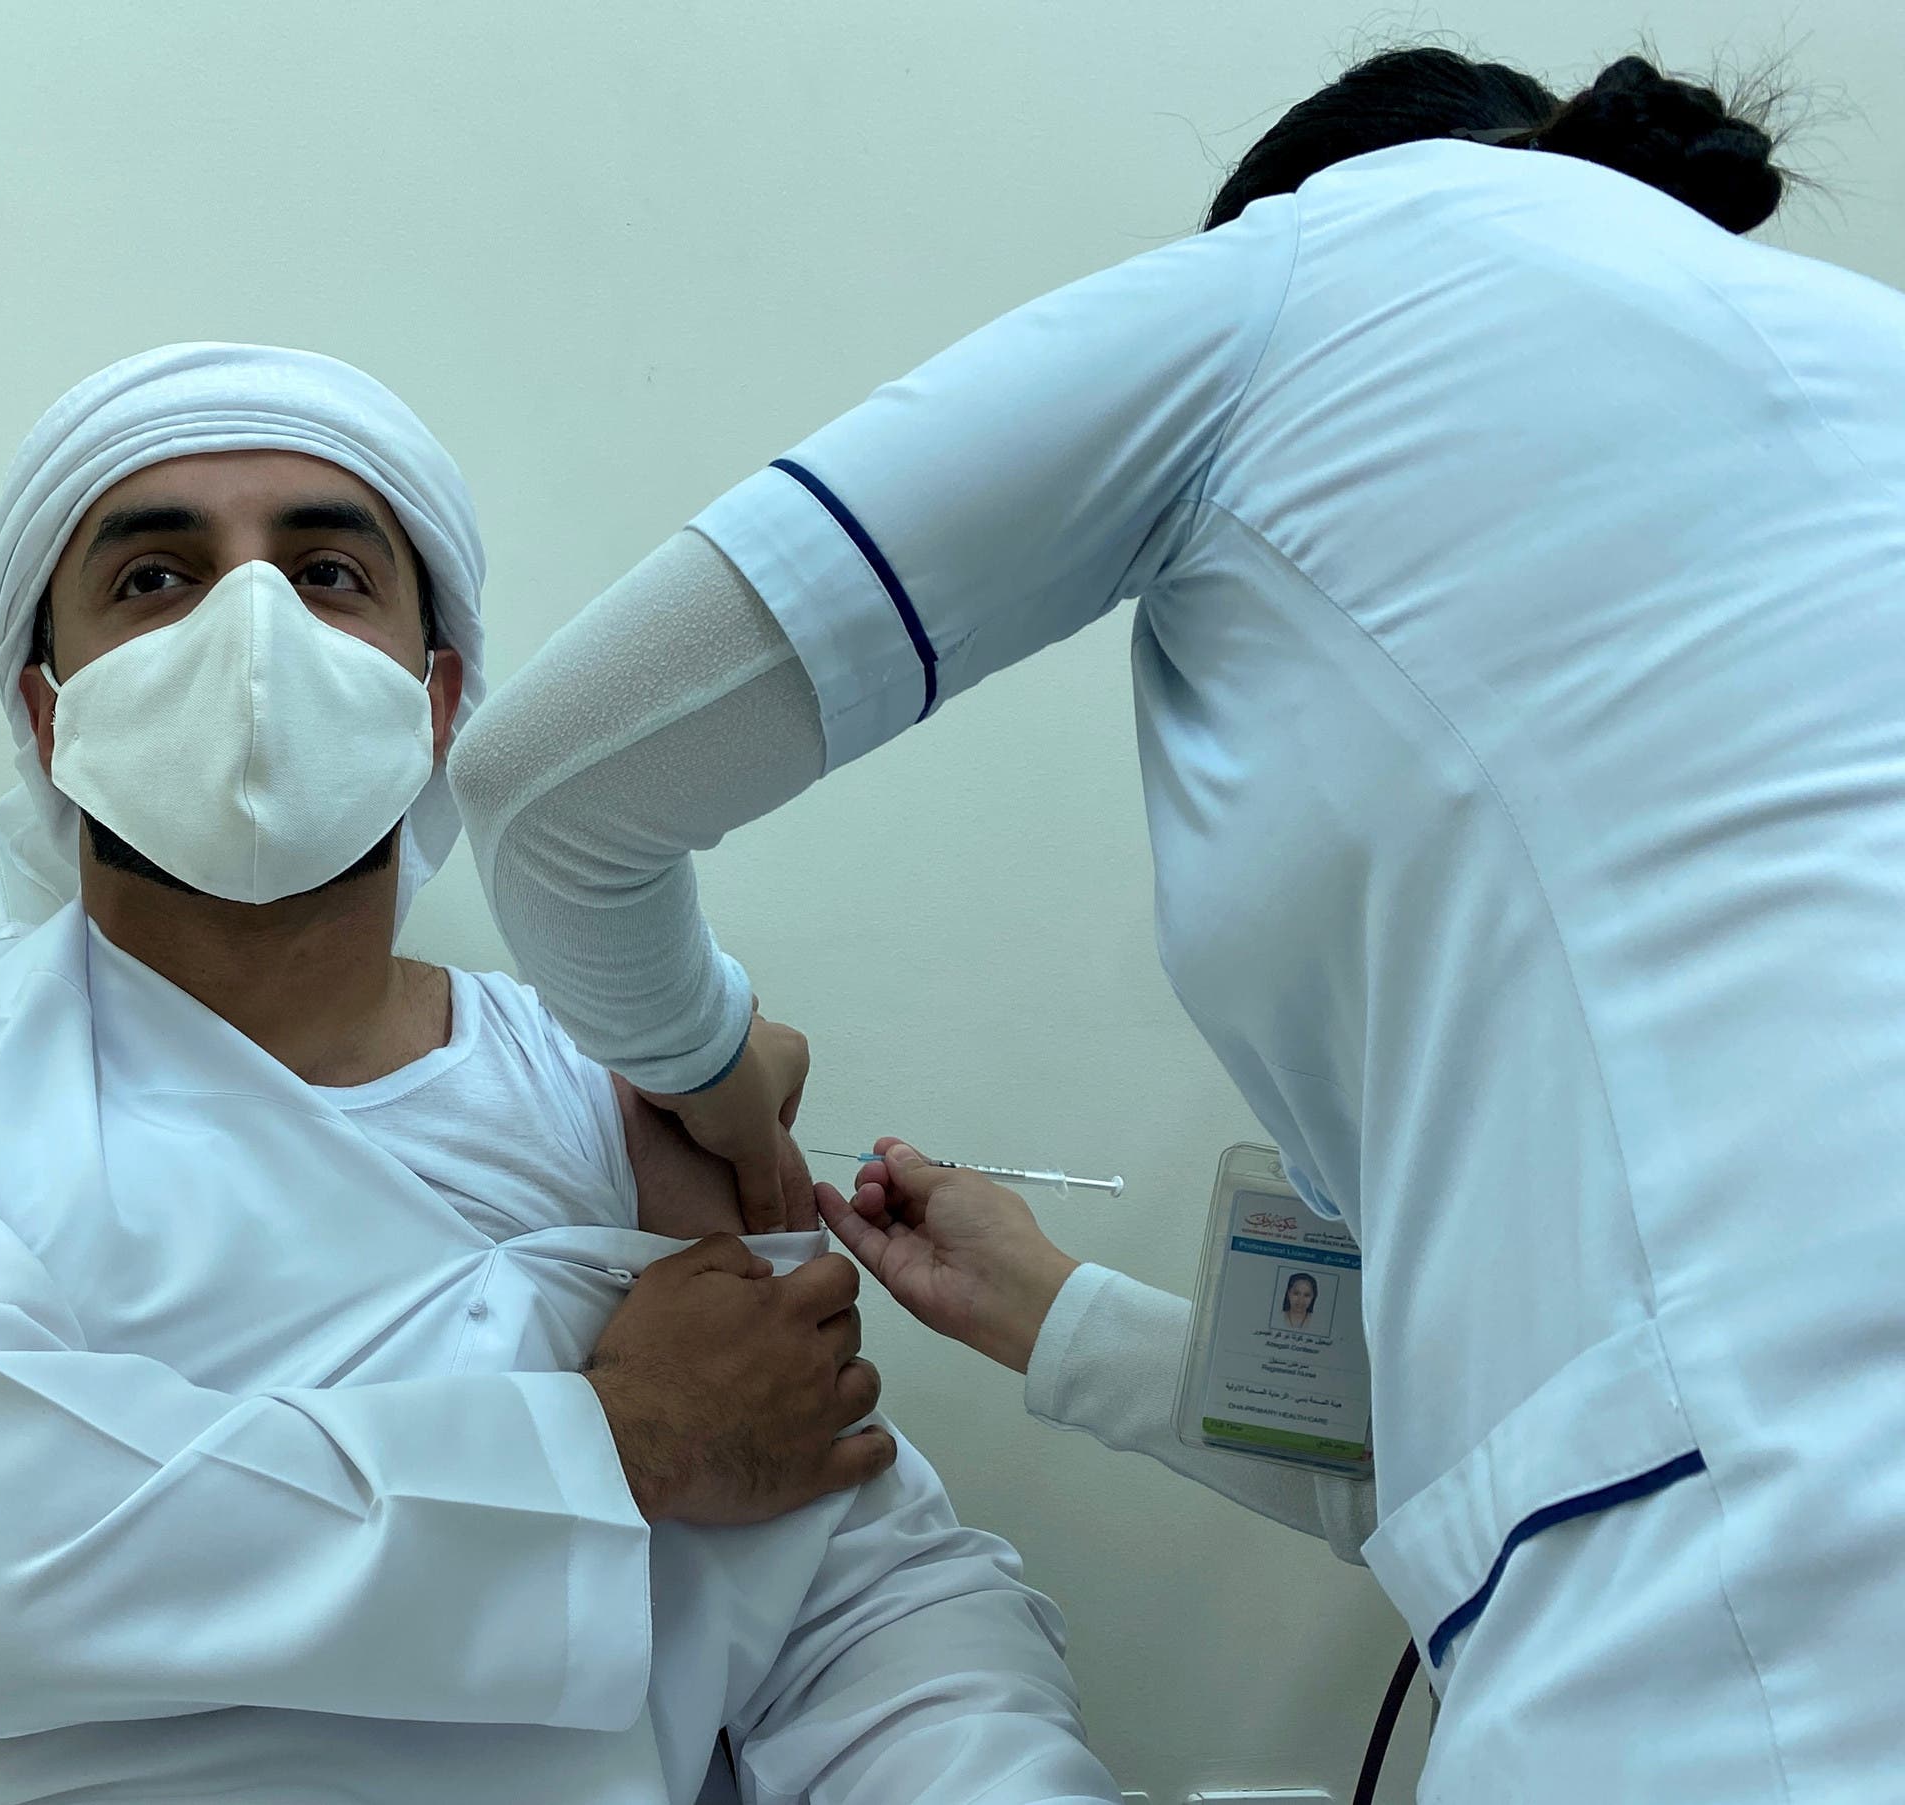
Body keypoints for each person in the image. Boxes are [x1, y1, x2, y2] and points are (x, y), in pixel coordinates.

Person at [449, 47, 1905, 1803]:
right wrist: (1057, 1314)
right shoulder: (1852, 358)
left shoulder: (1324, 270)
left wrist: (700, 1059)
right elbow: (1557, 1388)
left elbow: (552, 789)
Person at [0, 343, 1124, 1805]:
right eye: (156, 577)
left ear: (438, 700)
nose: (253, 631)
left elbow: (863, 1604)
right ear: (46, 709)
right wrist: (611, 1437)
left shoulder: (617, 1099)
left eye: (329, 572)